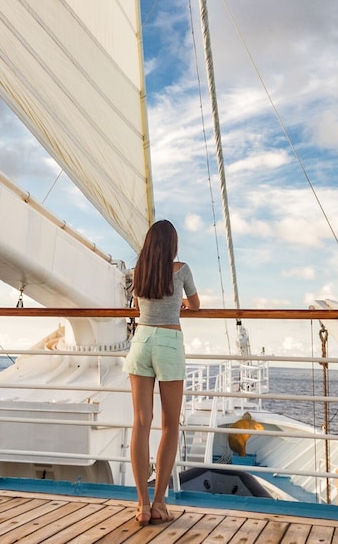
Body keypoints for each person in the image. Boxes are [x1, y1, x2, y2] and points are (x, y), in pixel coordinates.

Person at [123, 220, 199, 526]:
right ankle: (159, 503)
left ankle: (141, 505)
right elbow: (194, 305)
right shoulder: (181, 269)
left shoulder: (138, 272)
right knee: (169, 426)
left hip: (140, 341)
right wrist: (180, 302)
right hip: (168, 342)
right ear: (172, 244)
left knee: (141, 423)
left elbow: (140, 303)